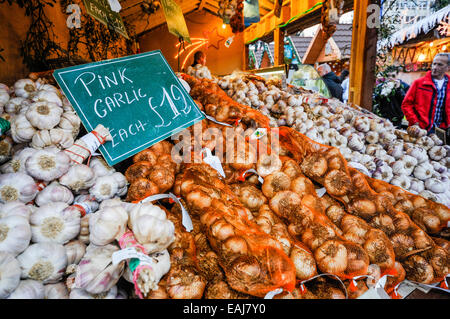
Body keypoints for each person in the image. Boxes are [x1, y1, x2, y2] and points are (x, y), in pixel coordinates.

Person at [401, 53, 450, 134]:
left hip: (442, 130)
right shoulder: (418, 83)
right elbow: (406, 104)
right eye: (434, 64)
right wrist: (415, 122)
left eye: (440, 65)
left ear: (448, 67)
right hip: (420, 129)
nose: (435, 67)